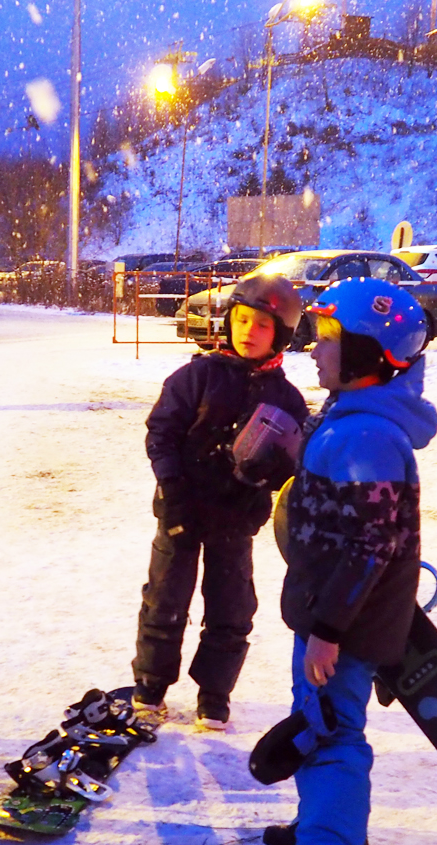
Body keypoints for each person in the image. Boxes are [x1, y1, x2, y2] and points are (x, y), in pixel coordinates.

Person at [262, 277, 437, 845]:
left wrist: (330, 627)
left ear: (367, 354)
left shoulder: (369, 436)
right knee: (317, 714)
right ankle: (327, 829)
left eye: (328, 339)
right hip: (324, 605)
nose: (313, 347)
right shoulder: (349, 420)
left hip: (343, 617)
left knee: (331, 724)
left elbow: (372, 544)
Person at [132, 274, 309, 731]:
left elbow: (292, 464)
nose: (249, 331)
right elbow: (162, 433)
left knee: (232, 608)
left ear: (282, 336)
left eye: (263, 325)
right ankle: (150, 685)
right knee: (165, 599)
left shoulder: (286, 398)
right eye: (242, 319)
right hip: (182, 510)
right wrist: (171, 490)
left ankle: (214, 692)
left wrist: (271, 472)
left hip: (236, 518)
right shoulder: (197, 376)